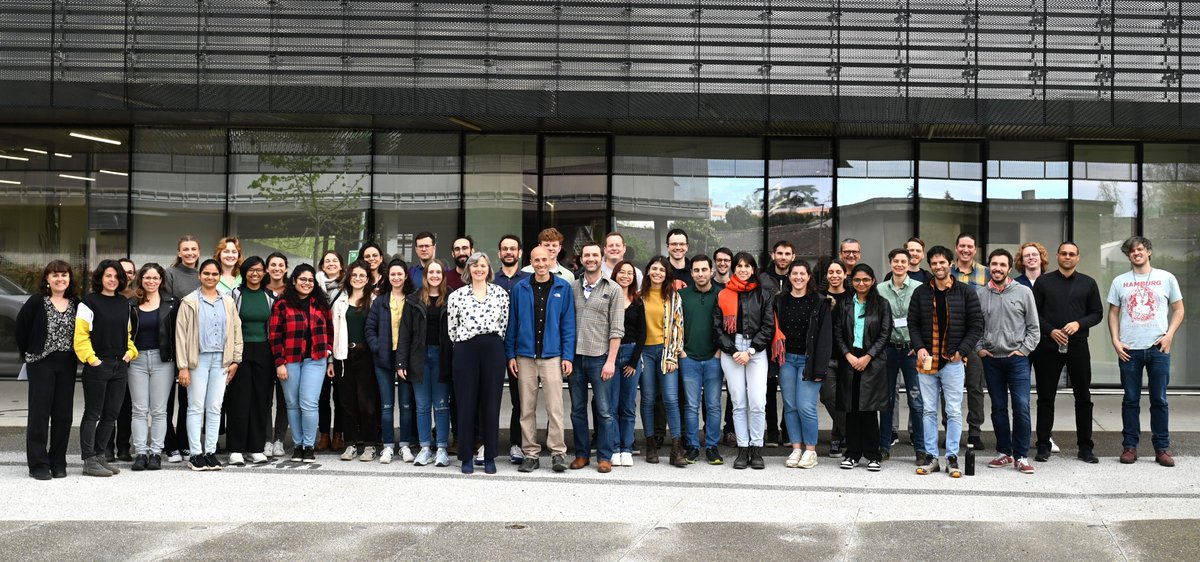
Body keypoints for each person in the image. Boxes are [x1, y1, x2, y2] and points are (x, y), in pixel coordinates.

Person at [1107, 236, 1184, 467]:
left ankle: (1162, 448)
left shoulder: (1166, 278)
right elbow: (1113, 313)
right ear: (1128, 255)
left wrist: (1169, 335)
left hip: (1158, 347)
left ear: (1148, 252)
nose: (1136, 253)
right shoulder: (1119, 281)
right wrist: (1115, 341)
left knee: (1159, 399)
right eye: (1132, 251)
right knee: (1130, 399)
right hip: (1129, 349)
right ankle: (1130, 447)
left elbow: (1179, 309)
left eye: (1140, 249)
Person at [909, 245, 984, 478]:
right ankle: (931, 457)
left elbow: (976, 325)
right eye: (934, 263)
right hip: (927, 361)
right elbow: (913, 324)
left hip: (952, 362)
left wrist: (962, 351)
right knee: (928, 411)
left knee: (953, 411)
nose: (938, 267)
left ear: (950, 264)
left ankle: (952, 457)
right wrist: (919, 347)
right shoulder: (921, 292)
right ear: (930, 266)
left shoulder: (965, 292)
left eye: (942, 263)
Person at [1031, 241, 1103, 463]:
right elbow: (1033, 314)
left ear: (1078, 257)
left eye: (1072, 254)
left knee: (1083, 397)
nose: (1068, 257)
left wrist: (1079, 324)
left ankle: (1085, 447)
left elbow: (1097, 313)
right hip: (1048, 347)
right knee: (1045, 398)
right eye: (1064, 253)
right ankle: (1043, 445)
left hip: (1078, 346)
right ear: (1057, 256)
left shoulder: (1088, 283)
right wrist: (1051, 331)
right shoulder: (1043, 282)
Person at [509, 246, 577, 473]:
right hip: (525, 356)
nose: (540, 264)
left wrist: (567, 356)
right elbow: (513, 325)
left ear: (551, 261)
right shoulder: (520, 289)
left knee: (554, 407)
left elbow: (568, 325)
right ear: (530, 261)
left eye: (544, 260)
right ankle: (531, 454)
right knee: (526, 409)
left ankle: (558, 453)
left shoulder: (563, 288)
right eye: (536, 260)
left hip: (552, 357)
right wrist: (511, 354)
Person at [975, 248, 1040, 475]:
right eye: (994, 264)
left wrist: (1024, 350)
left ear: (1009, 268)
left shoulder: (1023, 292)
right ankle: (1005, 452)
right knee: (998, 408)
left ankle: (1021, 455)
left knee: (1021, 407)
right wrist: (980, 349)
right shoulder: (981, 294)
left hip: (1017, 360)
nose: (998, 268)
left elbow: (1034, 328)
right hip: (992, 360)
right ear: (989, 267)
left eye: (1002, 265)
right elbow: (975, 327)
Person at [175, 259, 243, 471]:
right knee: (195, 407)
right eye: (206, 273)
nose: (210, 277)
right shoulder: (189, 302)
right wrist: (183, 366)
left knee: (214, 407)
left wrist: (236, 360)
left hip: (221, 360)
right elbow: (181, 336)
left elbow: (236, 331)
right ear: (199, 275)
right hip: (198, 360)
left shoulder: (228, 302)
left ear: (219, 277)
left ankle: (210, 452)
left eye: (215, 274)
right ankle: (196, 454)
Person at [448, 252, 510, 474]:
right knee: (466, 402)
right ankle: (466, 455)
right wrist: (465, 344)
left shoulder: (500, 294)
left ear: (488, 269)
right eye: (474, 266)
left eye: (482, 265)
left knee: (490, 403)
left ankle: (490, 454)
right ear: (469, 270)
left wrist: (491, 342)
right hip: (466, 349)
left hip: (492, 348)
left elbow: (504, 323)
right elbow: (452, 328)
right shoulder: (457, 296)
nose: (478, 269)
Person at [74, 260, 137, 477]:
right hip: (98, 365)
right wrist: (92, 360)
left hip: (120, 365)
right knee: (93, 413)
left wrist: (131, 352)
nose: (112, 280)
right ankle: (88, 459)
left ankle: (100, 456)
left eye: (117, 276)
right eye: (108, 275)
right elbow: (81, 337)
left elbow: (126, 334)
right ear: (100, 277)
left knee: (111, 414)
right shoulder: (88, 303)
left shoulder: (123, 303)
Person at [18, 260, 79, 480]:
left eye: (64, 275)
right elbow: (21, 329)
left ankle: (58, 462)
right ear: (47, 279)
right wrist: (29, 354)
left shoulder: (75, 303)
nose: (60, 279)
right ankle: (38, 464)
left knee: (63, 415)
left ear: (69, 279)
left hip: (67, 363)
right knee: (39, 414)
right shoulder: (36, 302)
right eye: (55, 275)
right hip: (41, 362)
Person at [714, 252, 775, 470]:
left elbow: (768, 327)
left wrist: (749, 350)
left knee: (758, 401)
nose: (742, 269)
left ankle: (757, 448)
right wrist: (732, 350)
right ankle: (743, 449)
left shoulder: (764, 294)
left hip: (755, 351)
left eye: (747, 266)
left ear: (753, 269)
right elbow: (717, 328)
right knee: (738, 402)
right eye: (739, 265)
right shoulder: (723, 294)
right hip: (731, 349)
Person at [772, 259, 834, 469]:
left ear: (809, 277)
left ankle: (810, 451)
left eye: (802, 274)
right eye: (794, 273)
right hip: (787, 360)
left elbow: (825, 338)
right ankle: (796, 448)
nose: (798, 277)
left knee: (806, 406)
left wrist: (820, 369)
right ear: (789, 277)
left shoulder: (820, 301)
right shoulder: (779, 300)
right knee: (790, 406)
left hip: (809, 361)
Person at [270, 264, 334, 463]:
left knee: (308, 403)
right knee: (292, 404)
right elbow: (274, 335)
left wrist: (328, 350)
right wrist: (279, 363)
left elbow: (331, 330)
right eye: (303, 279)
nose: (307, 283)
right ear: (294, 280)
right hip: (289, 360)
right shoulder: (282, 304)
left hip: (316, 360)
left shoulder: (321, 304)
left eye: (310, 280)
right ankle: (297, 445)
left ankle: (308, 444)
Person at [568, 242, 624, 473]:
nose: (590, 258)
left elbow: (617, 329)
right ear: (581, 259)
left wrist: (611, 361)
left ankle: (604, 456)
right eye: (586, 255)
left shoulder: (613, 289)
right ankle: (581, 454)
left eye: (594, 255)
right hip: (575, 358)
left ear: (601, 258)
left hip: (600, 358)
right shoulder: (571, 288)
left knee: (604, 410)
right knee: (577, 410)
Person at [834, 264, 892, 471]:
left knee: (868, 409)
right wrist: (848, 355)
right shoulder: (845, 304)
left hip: (872, 361)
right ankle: (852, 454)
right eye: (857, 280)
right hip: (849, 359)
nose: (861, 284)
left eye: (866, 280)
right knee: (851, 409)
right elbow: (838, 332)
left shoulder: (882, 304)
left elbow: (885, 334)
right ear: (852, 281)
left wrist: (868, 357)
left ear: (873, 281)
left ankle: (873, 455)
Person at [397, 260, 454, 467]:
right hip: (418, 358)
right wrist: (401, 362)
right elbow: (404, 334)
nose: (435, 275)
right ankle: (424, 448)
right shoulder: (413, 300)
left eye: (438, 272)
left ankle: (441, 449)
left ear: (443, 275)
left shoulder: (452, 297)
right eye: (431, 272)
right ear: (425, 275)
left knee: (441, 405)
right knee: (421, 406)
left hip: (443, 357)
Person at [126, 263, 179, 471]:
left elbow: (178, 334)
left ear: (161, 280)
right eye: (147, 278)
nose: (151, 281)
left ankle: (156, 452)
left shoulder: (172, 303)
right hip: (136, 360)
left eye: (155, 278)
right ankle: (141, 452)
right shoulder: (131, 304)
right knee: (139, 409)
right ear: (141, 279)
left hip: (162, 360)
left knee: (159, 410)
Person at [366, 258, 417, 464]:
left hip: (406, 358)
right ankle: (388, 445)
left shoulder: (413, 299)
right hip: (383, 358)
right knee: (387, 404)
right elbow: (369, 329)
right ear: (388, 277)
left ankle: (404, 445)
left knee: (405, 404)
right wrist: (378, 347)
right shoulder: (380, 301)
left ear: (406, 276)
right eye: (392, 274)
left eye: (399, 274)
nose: (396, 277)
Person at [330, 261, 381, 462]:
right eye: (354, 275)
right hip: (343, 355)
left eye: (362, 276)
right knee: (346, 402)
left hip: (366, 356)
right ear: (349, 277)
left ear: (368, 279)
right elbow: (332, 332)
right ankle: (350, 443)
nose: (358, 279)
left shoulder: (375, 301)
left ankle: (369, 444)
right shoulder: (339, 301)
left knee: (366, 402)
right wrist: (330, 361)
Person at [877, 249, 924, 463]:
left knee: (916, 399)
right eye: (895, 261)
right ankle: (884, 445)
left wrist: (919, 344)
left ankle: (921, 449)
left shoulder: (919, 288)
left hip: (911, 350)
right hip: (888, 349)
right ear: (890, 263)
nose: (899, 264)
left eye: (903, 261)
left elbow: (926, 318)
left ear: (909, 263)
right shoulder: (879, 290)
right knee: (886, 400)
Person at [638, 256, 685, 465]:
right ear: (648, 271)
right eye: (654, 268)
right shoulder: (638, 296)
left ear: (666, 274)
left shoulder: (674, 297)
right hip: (644, 353)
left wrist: (673, 355)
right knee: (648, 399)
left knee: (671, 399)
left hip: (665, 352)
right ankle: (650, 446)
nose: (657, 272)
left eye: (661, 270)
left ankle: (676, 450)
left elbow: (678, 327)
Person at [679, 255, 724, 465]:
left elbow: (728, 326)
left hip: (714, 357)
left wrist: (719, 351)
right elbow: (674, 324)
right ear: (691, 273)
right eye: (696, 270)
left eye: (704, 270)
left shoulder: (722, 295)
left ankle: (712, 446)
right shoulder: (682, 295)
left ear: (711, 271)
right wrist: (681, 352)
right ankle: (693, 446)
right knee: (690, 405)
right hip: (689, 358)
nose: (700, 274)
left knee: (713, 404)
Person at [228, 257, 274, 466]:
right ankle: (236, 448)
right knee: (239, 399)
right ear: (244, 272)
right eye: (251, 270)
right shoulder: (234, 295)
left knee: (260, 399)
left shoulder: (269, 296)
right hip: (240, 350)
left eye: (259, 270)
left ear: (264, 273)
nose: (255, 274)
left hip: (264, 350)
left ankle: (255, 448)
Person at [492, 234, 529, 463]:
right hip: (493, 347)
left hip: (519, 348)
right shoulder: (489, 280)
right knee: (489, 397)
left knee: (520, 399)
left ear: (520, 253)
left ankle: (517, 443)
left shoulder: (527, 280)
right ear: (499, 253)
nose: (508, 252)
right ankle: (487, 442)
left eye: (512, 249)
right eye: (504, 248)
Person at [164, 236, 201, 463]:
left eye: (193, 249)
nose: (189, 253)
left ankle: (185, 442)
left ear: (198, 252)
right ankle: (169, 444)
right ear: (179, 252)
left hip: (195, 344)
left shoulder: (203, 274)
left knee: (189, 398)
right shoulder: (170, 274)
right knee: (167, 398)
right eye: (185, 249)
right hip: (172, 339)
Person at [950, 232, 988, 451]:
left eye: (970, 246)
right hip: (951, 339)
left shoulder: (986, 273)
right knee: (949, 389)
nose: (966, 250)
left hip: (975, 339)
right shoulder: (946, 271)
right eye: (962, 246)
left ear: (975, 250)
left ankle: (975, 432)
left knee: (974, 388)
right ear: (956, 248)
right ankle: (951, 431)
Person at [758, 240, 794, 447]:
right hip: (767, 340)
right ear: (773, 255)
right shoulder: (762, 279)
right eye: (779, 253)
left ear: (792, 257)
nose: (783, 257)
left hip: (791, 341)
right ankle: (772, 431)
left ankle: (787, 430)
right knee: (769, 388)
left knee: (789, 389)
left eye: (787, 253)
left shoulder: (798, 277)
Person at [609, 260, 645, 467]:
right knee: (612, 405)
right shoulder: (608, 298)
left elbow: (642, 334)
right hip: (611, 355)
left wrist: (633, 362)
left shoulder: (638, 301)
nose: (625, 276)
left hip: (631, 353)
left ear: (634, 277)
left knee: (628, 405)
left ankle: (627, 448)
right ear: (615, 274)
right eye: (621, 272)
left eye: (629, 273)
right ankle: (614, 448)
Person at [264, 251, 297, 454]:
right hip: (264, 351)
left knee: (285, 398)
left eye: (280, 265)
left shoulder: (292, 292)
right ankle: (267, 439)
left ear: (286, 268)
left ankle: (279, 439)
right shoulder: (259, 290)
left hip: (288, 351)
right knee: (265, 399)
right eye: (273, 265)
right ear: (267, 268)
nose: (277, 268)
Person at [821, 259, 850, 457]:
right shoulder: (820, 298)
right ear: (826, 275)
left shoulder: (852, 297)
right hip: (826, 356)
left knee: (845, 398)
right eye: (831, 272)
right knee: (828, 396)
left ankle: (836, 438)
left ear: (845, 275)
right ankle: (850, 433)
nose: (834, 275)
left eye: (838, 272)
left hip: (849, 355)